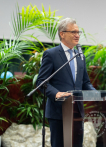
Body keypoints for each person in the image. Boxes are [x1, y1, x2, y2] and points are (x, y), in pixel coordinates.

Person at [36, 18, 96, 147]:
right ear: (62, 34)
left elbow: (85, 82)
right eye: (73, 32)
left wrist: (96, 94)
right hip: (58, 110)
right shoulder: (51, 54)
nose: (77, 35)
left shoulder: (80, 56)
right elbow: (41, 81)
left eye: (78, 32)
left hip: (77, 111)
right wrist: (56, 93)